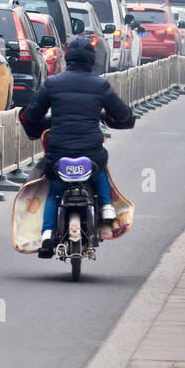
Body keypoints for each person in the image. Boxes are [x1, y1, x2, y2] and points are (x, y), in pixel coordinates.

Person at [19, 36, 135, 257]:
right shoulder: (100, 85)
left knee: (54, 192)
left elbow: (33, 115)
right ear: (91, 59)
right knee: (99, 165)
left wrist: (26, 115)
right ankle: (108, 208)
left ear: (68, 58)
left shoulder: (53, 84)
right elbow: (121, 113)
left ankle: (46, 236)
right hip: (91, 151)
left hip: (58, 154)